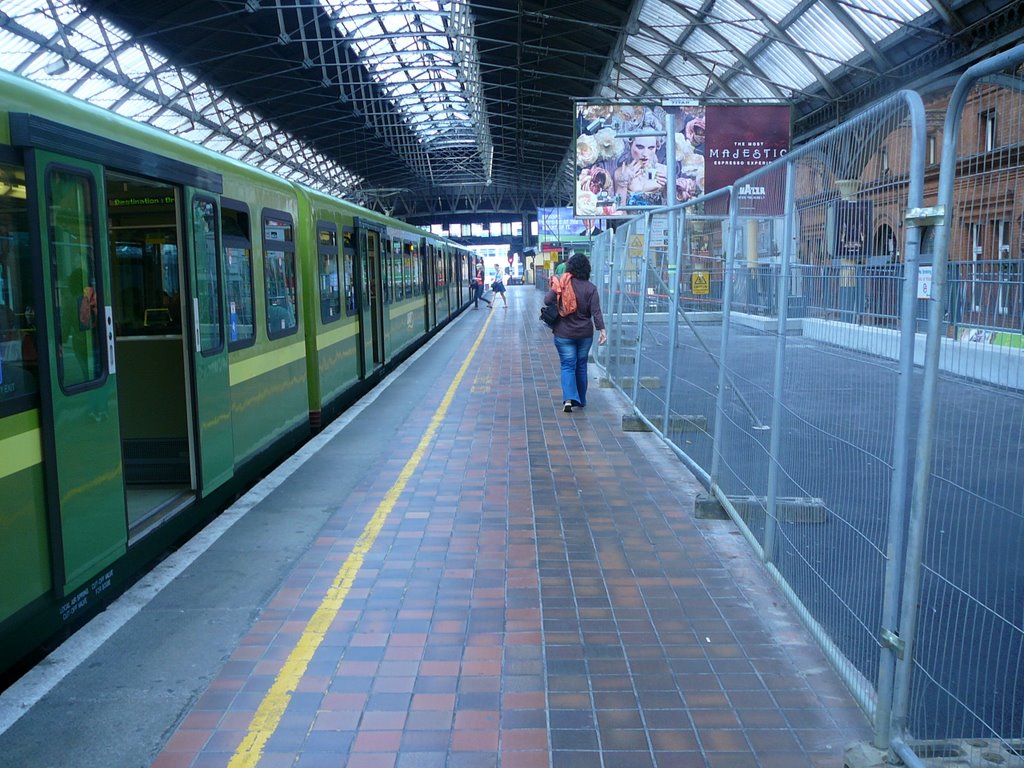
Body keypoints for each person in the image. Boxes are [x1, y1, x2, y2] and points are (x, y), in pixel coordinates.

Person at [543, 252, 607, 413]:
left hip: (564, 333)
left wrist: (556, 287)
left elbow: (547, 301)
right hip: (584, 334)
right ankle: (581, 399)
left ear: (570, 267)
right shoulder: (591, 288)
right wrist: (602, 330)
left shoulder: (563, 284)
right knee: (581, 366)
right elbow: (596, 312)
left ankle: (569, 400)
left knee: (567, 365)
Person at [613, 136, 668, 208]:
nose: (645, 154)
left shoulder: (664, 170)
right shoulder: (621, 172)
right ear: (630, 145)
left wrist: (668, 187)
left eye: (651, 148)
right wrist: (623, 185)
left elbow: (673, 210)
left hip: (659, 218)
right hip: (630, 219)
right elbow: (619, 210)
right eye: (640, 147)